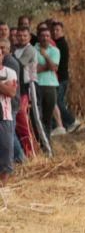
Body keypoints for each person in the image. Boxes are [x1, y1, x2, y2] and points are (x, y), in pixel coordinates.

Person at [13, 25, 38, 157]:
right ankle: (25, 152)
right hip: (18, 87)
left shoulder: (30, 50)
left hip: (29, 86)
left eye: (25, 36)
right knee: (21, 122)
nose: (22, 38)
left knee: (29, 121)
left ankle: (34, 154)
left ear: (29, 37)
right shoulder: (16, 51)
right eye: (20, 36)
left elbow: (18, 64)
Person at [50, 21, 78, 132]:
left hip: (61, 79)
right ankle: (66, 124)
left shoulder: (61, 44)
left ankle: (72, 121)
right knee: (59, 101)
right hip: (60, 78)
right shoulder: (57, 43)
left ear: (62, 31)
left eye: (57, 30)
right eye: (53, 30)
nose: (55, 32)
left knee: (57, 102)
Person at [34, 26, 60, 138]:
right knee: (36, 117)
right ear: (38, 37)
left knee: (47, 118)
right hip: (36, 85)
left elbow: (54, 68)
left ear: (50, 38)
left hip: (50, 86)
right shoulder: (32, 50)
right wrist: (48, 66)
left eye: (47, 36)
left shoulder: (55, 50)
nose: (45, 38)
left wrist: (45, 55)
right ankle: (38, 143)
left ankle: (47, 144)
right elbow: (34, 69)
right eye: (43, 36)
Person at [0, 42, 18, 185]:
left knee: (6, 151)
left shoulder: (9, 72)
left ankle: (4, 185)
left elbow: (11, 92)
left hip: (5, 117)